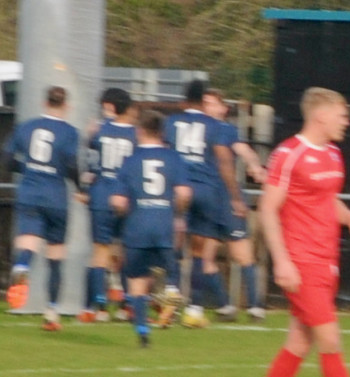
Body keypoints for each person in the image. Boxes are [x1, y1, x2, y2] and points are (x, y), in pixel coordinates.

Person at [239, 87, 350, 377]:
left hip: (327, 259)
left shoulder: (333, 154)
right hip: (301, 260)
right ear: (320, 115)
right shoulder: (288, 153)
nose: (346, 121)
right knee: (330, 338)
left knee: (299, 341)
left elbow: (326, 201)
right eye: (342, 114)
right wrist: (282, 261)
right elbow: (268, 208)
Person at [164, 80, 246, 328]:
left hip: (179, 190)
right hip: (206, 191)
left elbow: (164, 152)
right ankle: (195, 310)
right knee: (199, 253)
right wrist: (234, 197)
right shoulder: (215, 125)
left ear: (185, 100)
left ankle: (170, 296)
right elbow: (224, 161)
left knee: (175, 247)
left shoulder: (171, 122)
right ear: (203, 101)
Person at [110, 110, 192, 347]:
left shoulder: (130, 161)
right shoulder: (173, 159)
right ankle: (172, 290)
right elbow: (185, 194)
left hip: (137, 227)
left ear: (140, 131)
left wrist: (123, 211)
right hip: (164, 225)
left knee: (136, 281)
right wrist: (174, 210)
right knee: (170, 267)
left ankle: (143, 331)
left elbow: (118, 201)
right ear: (162, 132)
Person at [3, 86, 82, 331]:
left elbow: (6, 158)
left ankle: (21, 266)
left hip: (29, 192)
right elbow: (70, 164)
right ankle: (51, 313)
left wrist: (25, 169)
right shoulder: (70, 132)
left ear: (44, 103)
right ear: (66, 106)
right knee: (55, 258)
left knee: (28, 244)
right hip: (55, 197)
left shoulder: (26, 127)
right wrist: (80, 187)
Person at [202, 88, 267, 322]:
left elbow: (244, 150)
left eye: (212, 103)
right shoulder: (197, 129)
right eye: (204, 103)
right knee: (206, 257)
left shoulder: (226, 129)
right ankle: (225, 305)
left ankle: (255, 306)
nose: (208, 108)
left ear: (223, 108)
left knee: (242, 255)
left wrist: (255, 166)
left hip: (227, 198)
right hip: (206, 201)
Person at [78, 88, 137, 323]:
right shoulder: (136, 134)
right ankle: (126, 305)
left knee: (100, 252)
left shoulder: (98, 131)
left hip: (102, 195)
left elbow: (89, 167)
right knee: (125, 251)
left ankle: (98, 307)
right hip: (127, 198)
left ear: (110, 107)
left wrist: (85, 191)